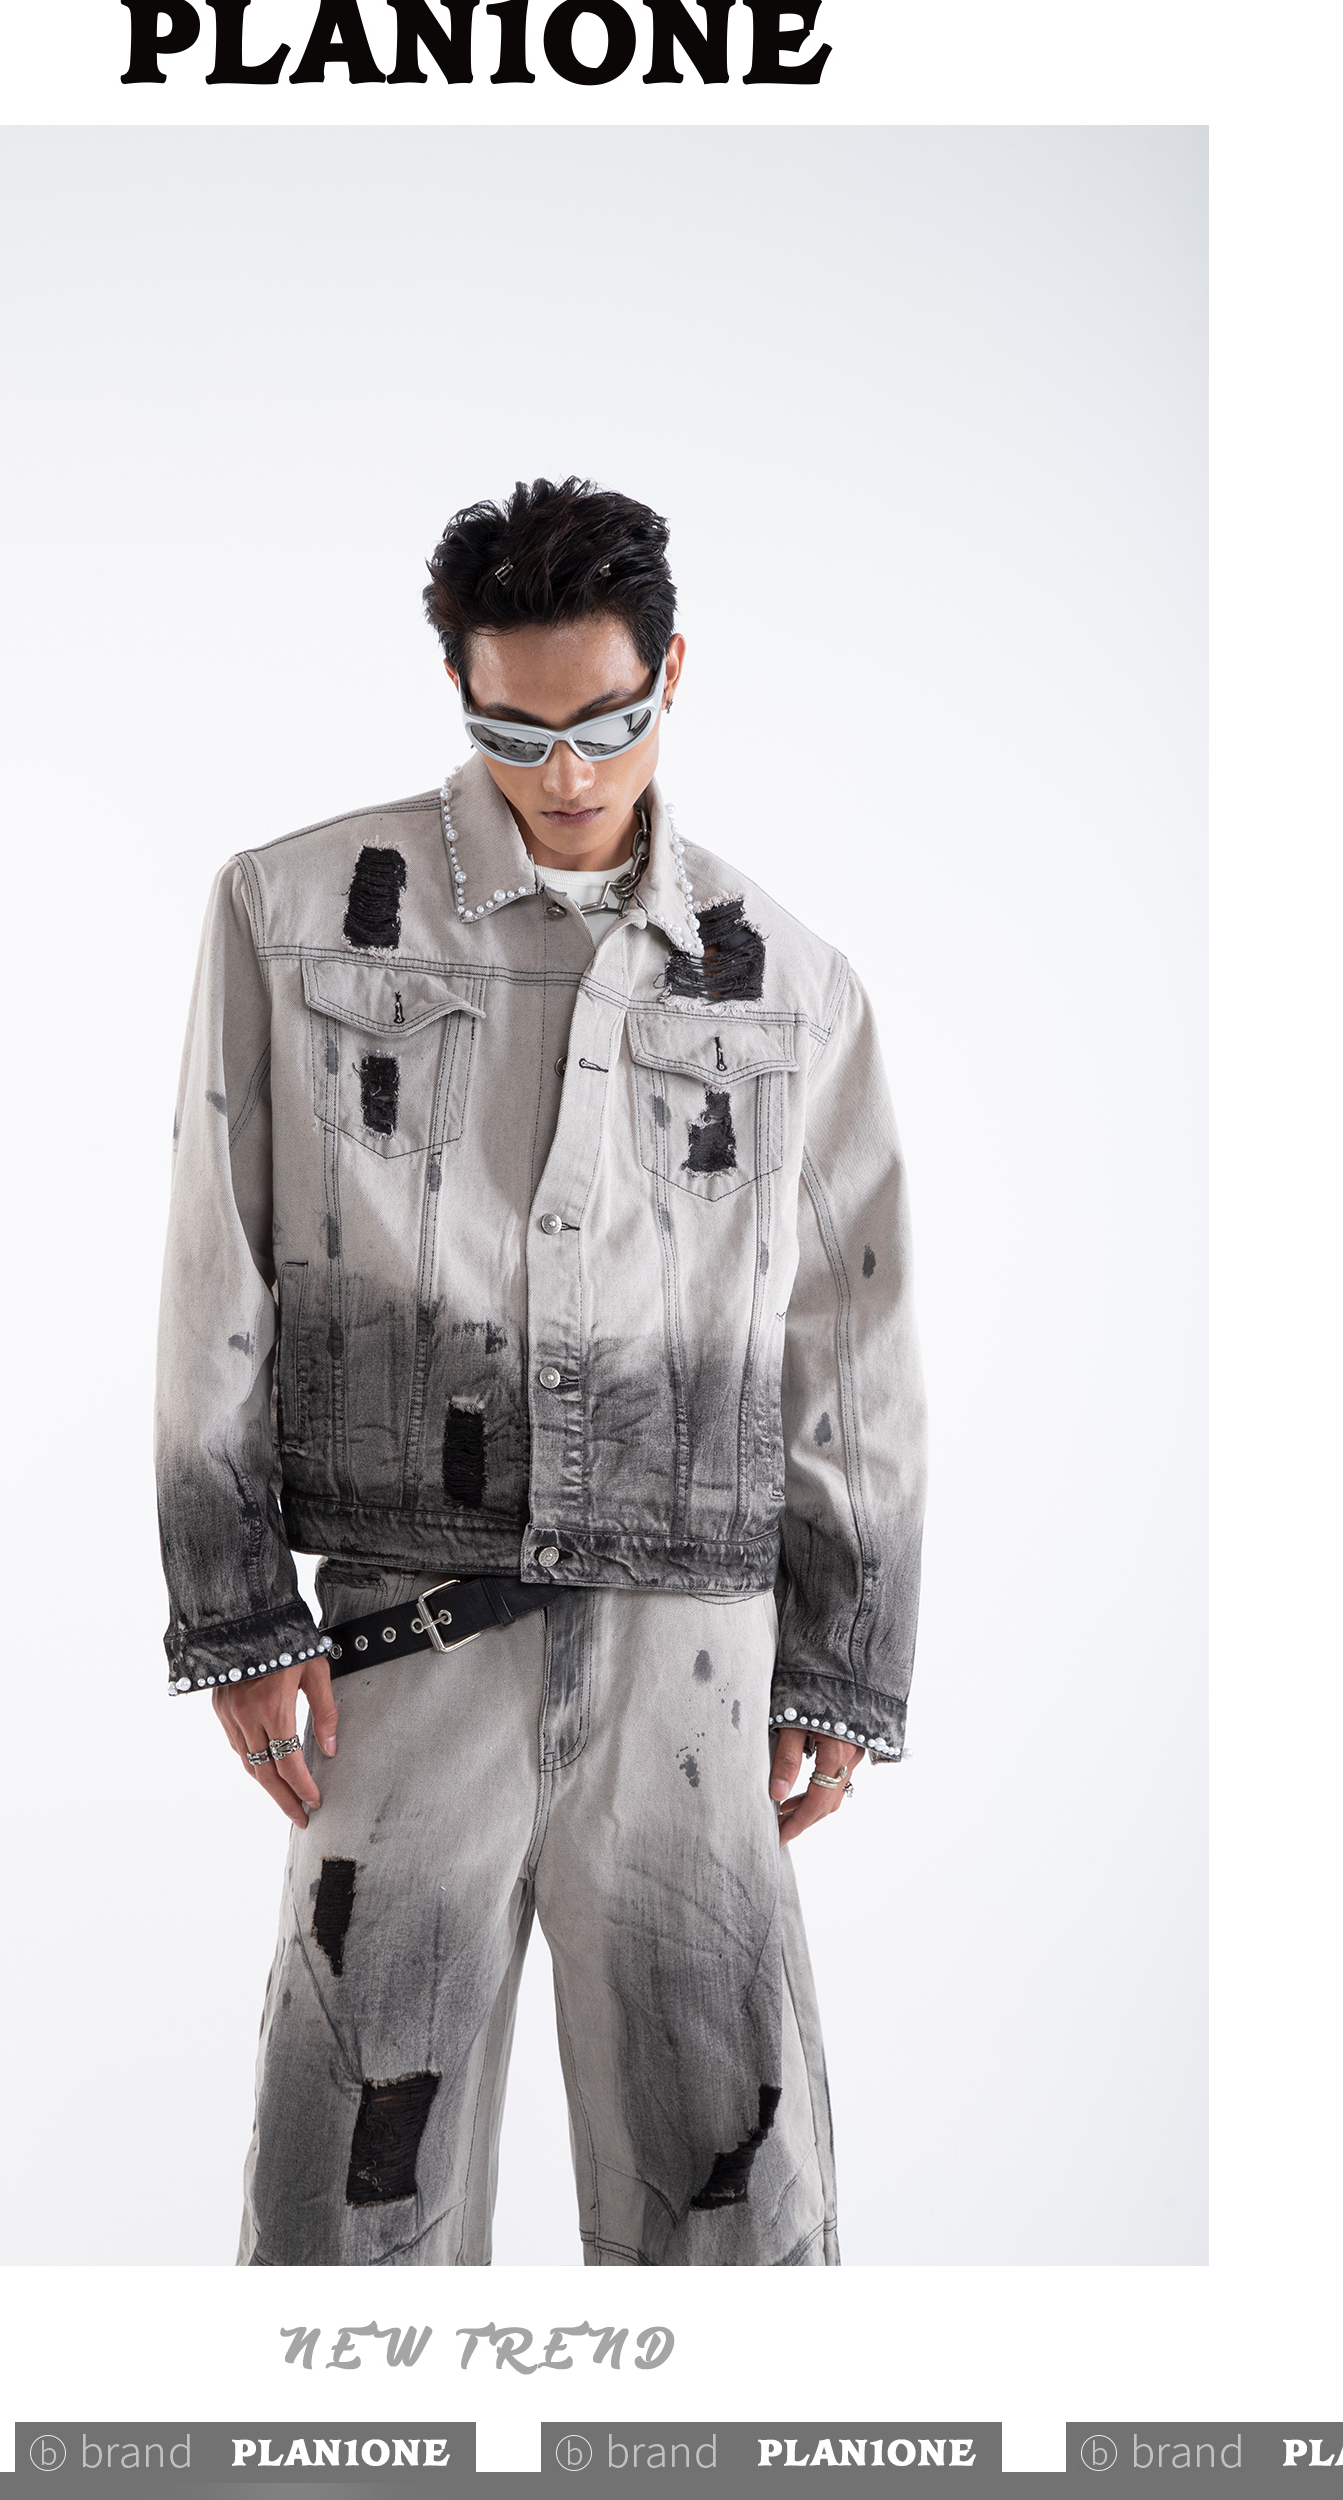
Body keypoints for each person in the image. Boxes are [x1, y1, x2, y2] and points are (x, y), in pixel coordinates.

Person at [154, 476, 926, 2266]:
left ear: (674, 674)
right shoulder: (295, 916)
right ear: (459, 685)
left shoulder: (792, 988)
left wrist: (846, 1656)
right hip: (406, 1640)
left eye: (605, 722)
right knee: (351, 2206)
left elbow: (855, 1339)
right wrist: (233, 1608)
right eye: (512, 730)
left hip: (694, 1661)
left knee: (731, 2193)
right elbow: (214, 1270)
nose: (564, 771)